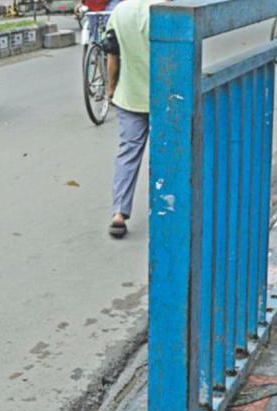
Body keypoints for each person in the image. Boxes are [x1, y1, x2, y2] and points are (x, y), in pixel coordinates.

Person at [104, 0, 165, 238]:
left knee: (128, 153)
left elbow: (112, 54)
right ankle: (167, 211)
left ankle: (119, 213)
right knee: (167, 155)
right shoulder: (167, 11)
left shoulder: (120, 12)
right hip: (165, 97)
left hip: (129, 96)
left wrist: (111, 89)